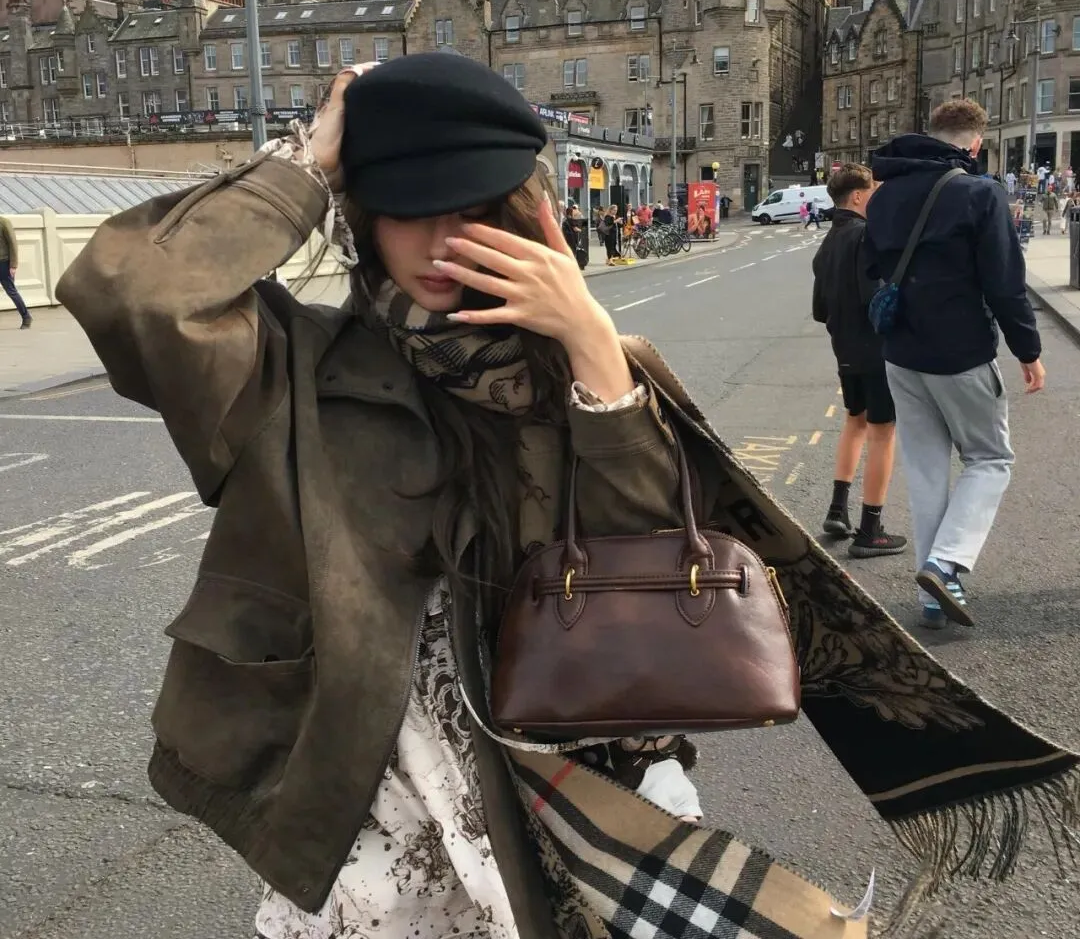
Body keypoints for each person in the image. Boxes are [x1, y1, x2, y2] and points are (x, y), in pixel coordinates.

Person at [56, 58, 1080, 937]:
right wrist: (306, 164)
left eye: (473, 205)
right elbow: (130, 291)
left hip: (570, 767)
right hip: (368, 788)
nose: (445, 238)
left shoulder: (578, 367)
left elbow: (653, 558)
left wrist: (593, 347)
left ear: (521, 208)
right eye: (409, 206)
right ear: (360, 213)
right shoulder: (290, 368)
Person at [866, 98, 1046, 631]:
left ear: (932, 133)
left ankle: (933, 595)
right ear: (975, 143)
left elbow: (873, 266)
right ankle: (945, 566)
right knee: (990, 459)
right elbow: (1005, 283)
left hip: (901, 353)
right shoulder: (979, 193)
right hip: (960, 352)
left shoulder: (884, 194)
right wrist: (1028, 351)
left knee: (926, 473)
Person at [812, 164, 906, 559]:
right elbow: (877, 299)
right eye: (872, 191)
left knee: (856, 421)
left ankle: (838, 510)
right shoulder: (866, 236)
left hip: (845, 351)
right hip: (876, 351)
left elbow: (819, 309)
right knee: (883, 433)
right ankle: (870, 529)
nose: (876, 197)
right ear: (856, 196)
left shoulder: (827, 243)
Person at [0, 215, 31, 329]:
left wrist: (13, 265)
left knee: (11, 291)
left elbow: (13, 244)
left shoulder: (4, 222)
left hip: (4, 263)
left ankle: (26, 317)